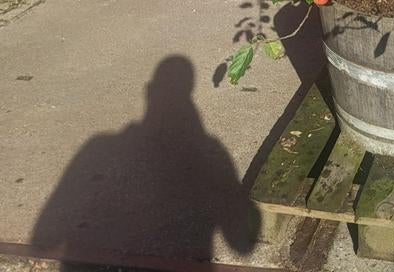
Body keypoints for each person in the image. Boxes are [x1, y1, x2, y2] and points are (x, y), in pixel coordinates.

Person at [32, 55, 251, 268]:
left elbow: (46, 232)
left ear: (150, 91)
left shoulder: (98, 145)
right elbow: (241, 244)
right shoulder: (210, 148)